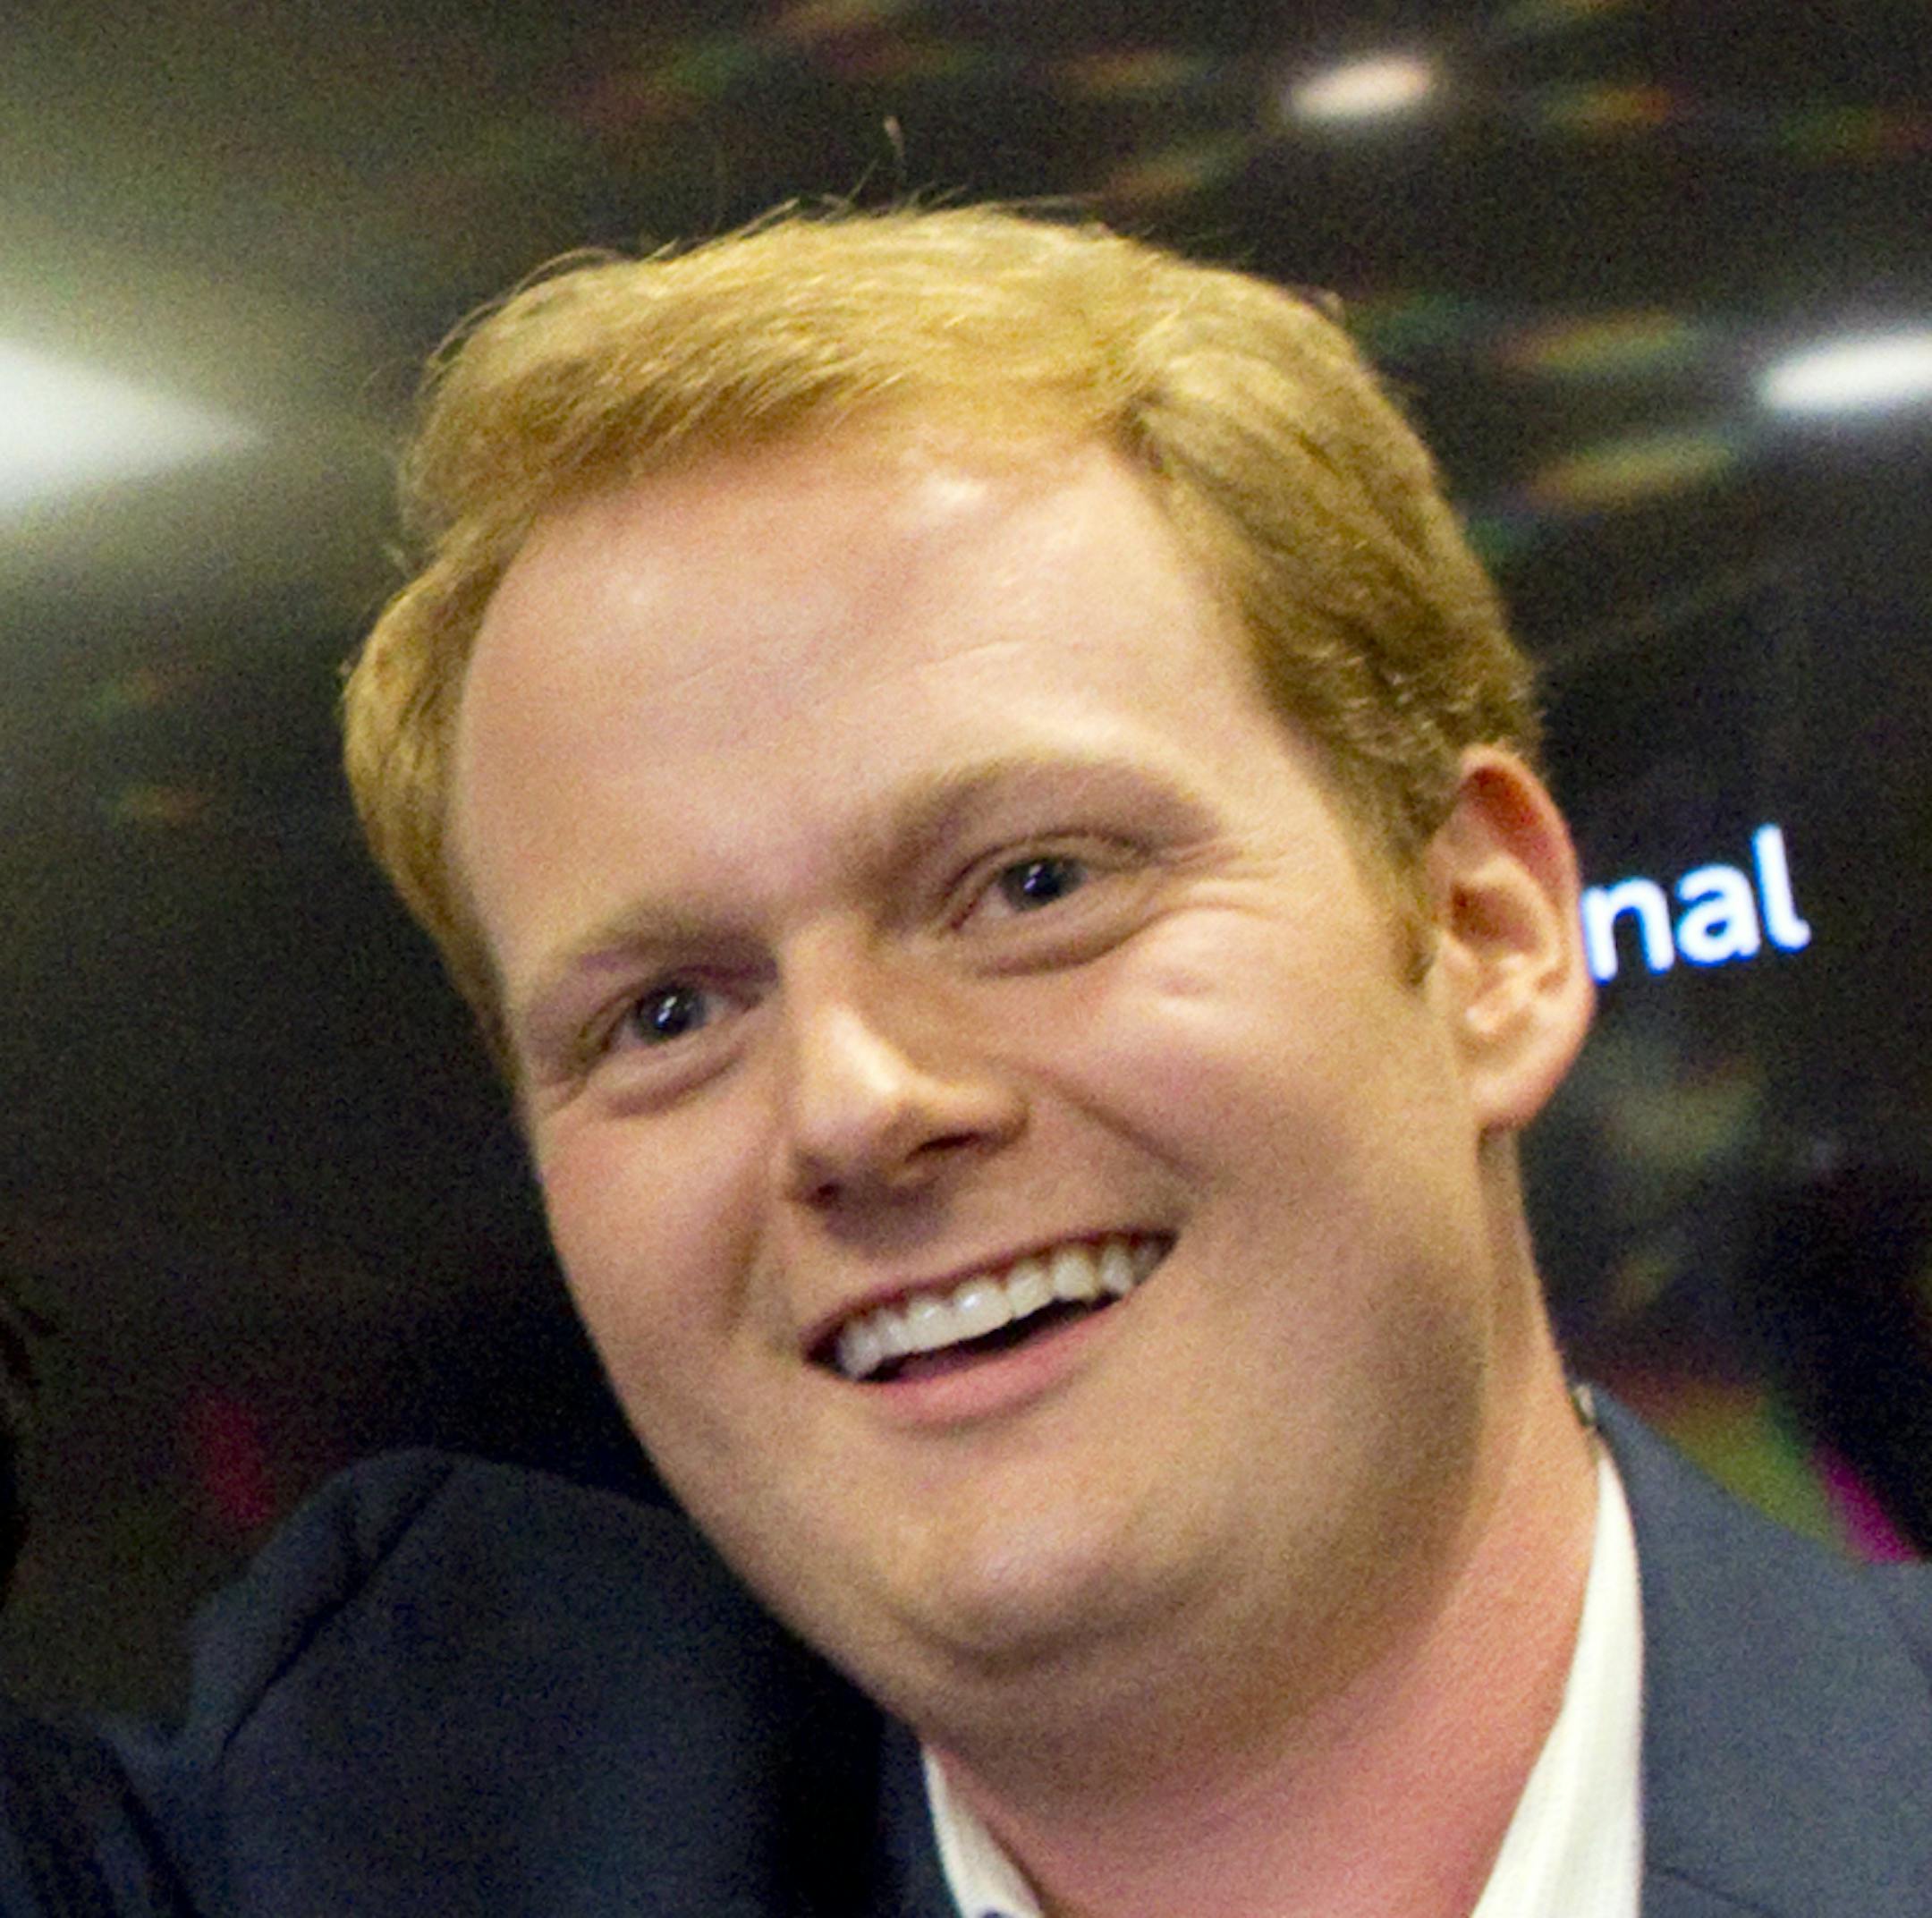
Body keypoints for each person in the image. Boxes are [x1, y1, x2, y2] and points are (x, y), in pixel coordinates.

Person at [18, 206, 1932, 1916]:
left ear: (1490, 940)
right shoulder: (388, 1826)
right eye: (666, 1013)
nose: (853, 1103)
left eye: (1031, 883)